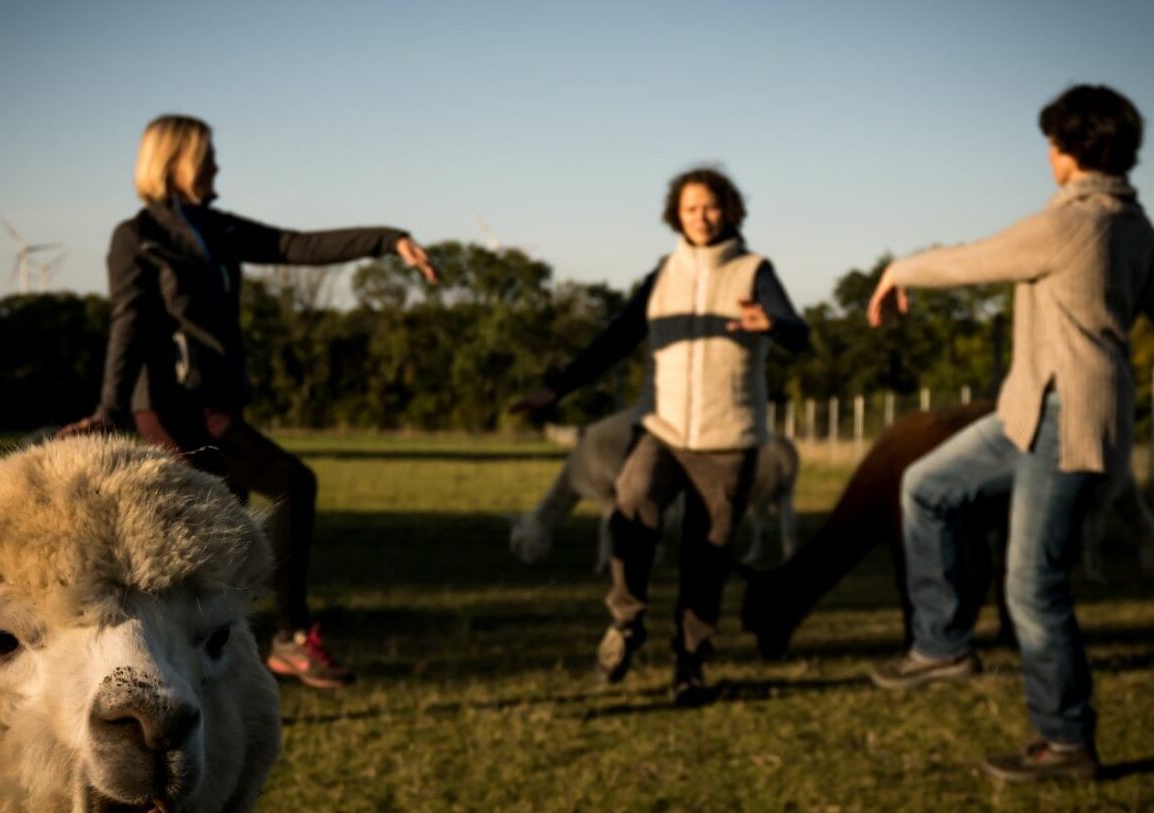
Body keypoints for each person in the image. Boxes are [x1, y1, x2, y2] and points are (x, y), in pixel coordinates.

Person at [861, 85, 1154, 781]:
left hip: (1069, 421)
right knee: (925, 486)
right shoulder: (1138, 229)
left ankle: (1067, 742)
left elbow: (972, 260)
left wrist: (899, 268)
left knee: (1032, 587)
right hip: (1028, 411)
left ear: (1070, 151)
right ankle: (942, 645)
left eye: (1052, 143)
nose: (1048, 154)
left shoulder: (1074, 225)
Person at [63, 114, 438, 689]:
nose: (216, 166)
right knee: (288, 483)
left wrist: (388, 240)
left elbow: (293, 245)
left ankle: (200, 669)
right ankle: (282, 639)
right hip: (170, 406)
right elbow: (128, 324)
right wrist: (111, 408)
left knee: (214, 549)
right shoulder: (137, 236)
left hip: (215, 405)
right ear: (176, 162)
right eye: (206, 155)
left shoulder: (215, 229)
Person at [512, 167, 809, 706]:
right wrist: (556, 389)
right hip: (663, 429)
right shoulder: (663, 274)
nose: (700, 217)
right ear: (676, 213)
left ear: (730, 211)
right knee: (633, 502)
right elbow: (617, 338)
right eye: (690, 208)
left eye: (711, 207)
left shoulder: (754, 271)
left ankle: (690, 667)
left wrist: (771, 325)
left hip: (728, 439)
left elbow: (799, 333)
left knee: (706, 556)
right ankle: (626, 623)